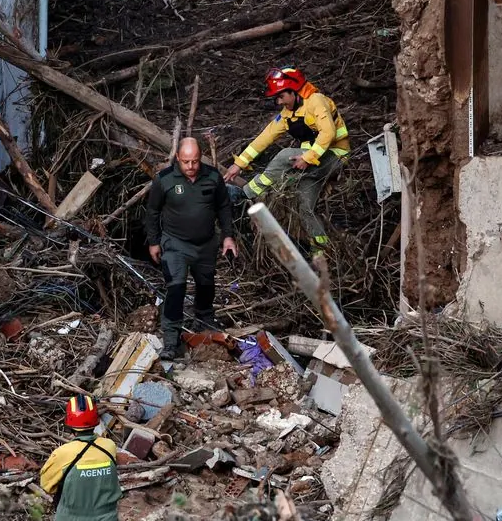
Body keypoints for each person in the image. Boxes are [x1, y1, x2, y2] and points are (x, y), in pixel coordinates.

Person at [223, 67, 349, 255]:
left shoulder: (316, 101)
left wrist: (308, 157)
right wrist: (239, 164)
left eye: (281, 96)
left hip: (335, 156)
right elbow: (264, 138)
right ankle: (321, 253)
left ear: (294, 90)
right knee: (304, 206)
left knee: (284, 155)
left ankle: (246, 194)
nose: (279, 101)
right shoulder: (287, 114)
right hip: (314, 162)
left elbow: (329, 133)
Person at [145, 137, 238, 361]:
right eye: (186, 161)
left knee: (206, 284)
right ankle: (171, 339)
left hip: (206, 243)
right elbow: (152, 211)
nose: (190, 166)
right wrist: (154, 241)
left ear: (200, 158)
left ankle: (204, 320)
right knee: (176, 287)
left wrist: (228, 236)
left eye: (195, 161)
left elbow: (224, 207)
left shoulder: (213, 177)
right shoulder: (164, 180)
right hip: (175, 243)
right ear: (178, 158)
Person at [40, 395, 121, 521]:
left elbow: (47, 485)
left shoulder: (63, 453)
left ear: (69, 421)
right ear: (96, 420)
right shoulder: (109, 447)